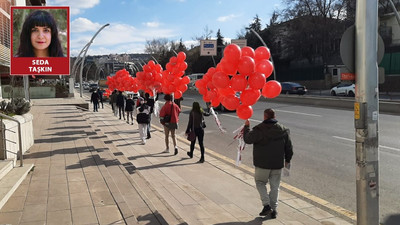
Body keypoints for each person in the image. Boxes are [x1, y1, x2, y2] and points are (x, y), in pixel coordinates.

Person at [243, 108, 293, 219]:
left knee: (260, 182)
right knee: (275, 187)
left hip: (262, 164)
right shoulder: (283, 130)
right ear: (274, 116)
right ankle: (274, 210)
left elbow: (247, 139)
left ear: (265, 116)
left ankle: (266, 205)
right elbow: (289, 148)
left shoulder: (259, 129)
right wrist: (287, 161)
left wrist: (246, 127)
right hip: (277, 164)